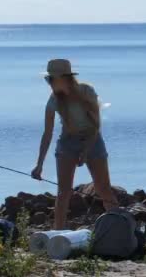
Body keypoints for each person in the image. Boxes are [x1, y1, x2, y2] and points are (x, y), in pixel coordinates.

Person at [31, 59, 118, 229]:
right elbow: (47, 134)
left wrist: (85, 151)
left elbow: (95, 125)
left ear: (64, 78)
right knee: (64, 192)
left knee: (103, 189)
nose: (49, 82)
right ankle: (58, 233)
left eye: (52, 79)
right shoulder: (53, 100)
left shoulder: (86, 91)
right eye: (48, 79)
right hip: (67, 142)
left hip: (92, 140)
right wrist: (39, 164)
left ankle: (117, 227)